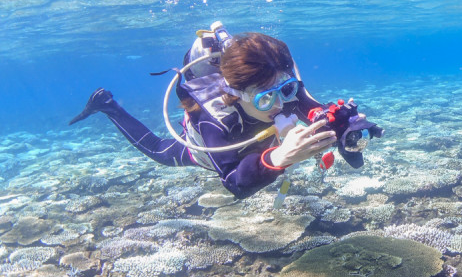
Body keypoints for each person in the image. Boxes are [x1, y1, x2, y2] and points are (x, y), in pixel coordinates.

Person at [69, 31, 378, 198]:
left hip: (260, 144)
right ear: (236, 94)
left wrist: (347, 126)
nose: (279, 105)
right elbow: (233, 182)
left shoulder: (284, 87)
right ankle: (107, 105)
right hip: (216, 150)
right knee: (160, 151)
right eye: (265, 98)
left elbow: (319, 112)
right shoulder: (213, 117)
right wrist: (280, 157)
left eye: (285, 90)